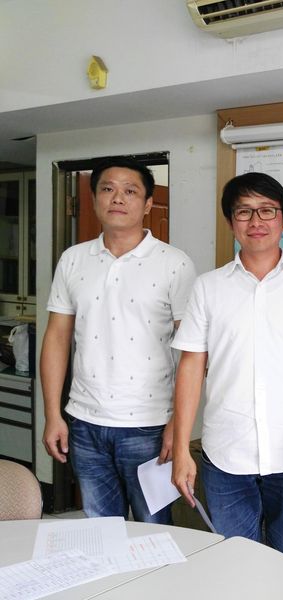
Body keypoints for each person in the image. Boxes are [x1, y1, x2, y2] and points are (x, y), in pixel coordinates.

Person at [170, 172, 283, 560]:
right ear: (230, 221)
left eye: (267, 210)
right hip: (225, 452)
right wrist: (182, 448)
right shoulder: (208, 287)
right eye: (244, 212)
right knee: (234, 560)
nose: (256, 221)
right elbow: (191, 367)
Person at [41, 156, 196, 523]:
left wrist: (178, 427)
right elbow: (57, 337)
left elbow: (191, 353)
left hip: (149, 424)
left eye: (130, 191)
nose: (118, 198)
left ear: (148, 204)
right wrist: (52, 414)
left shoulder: (174, 263)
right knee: (100, 530)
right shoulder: (73, 259)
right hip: (84, 422)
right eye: (108, 189)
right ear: (94, 198)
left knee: (154, 529)